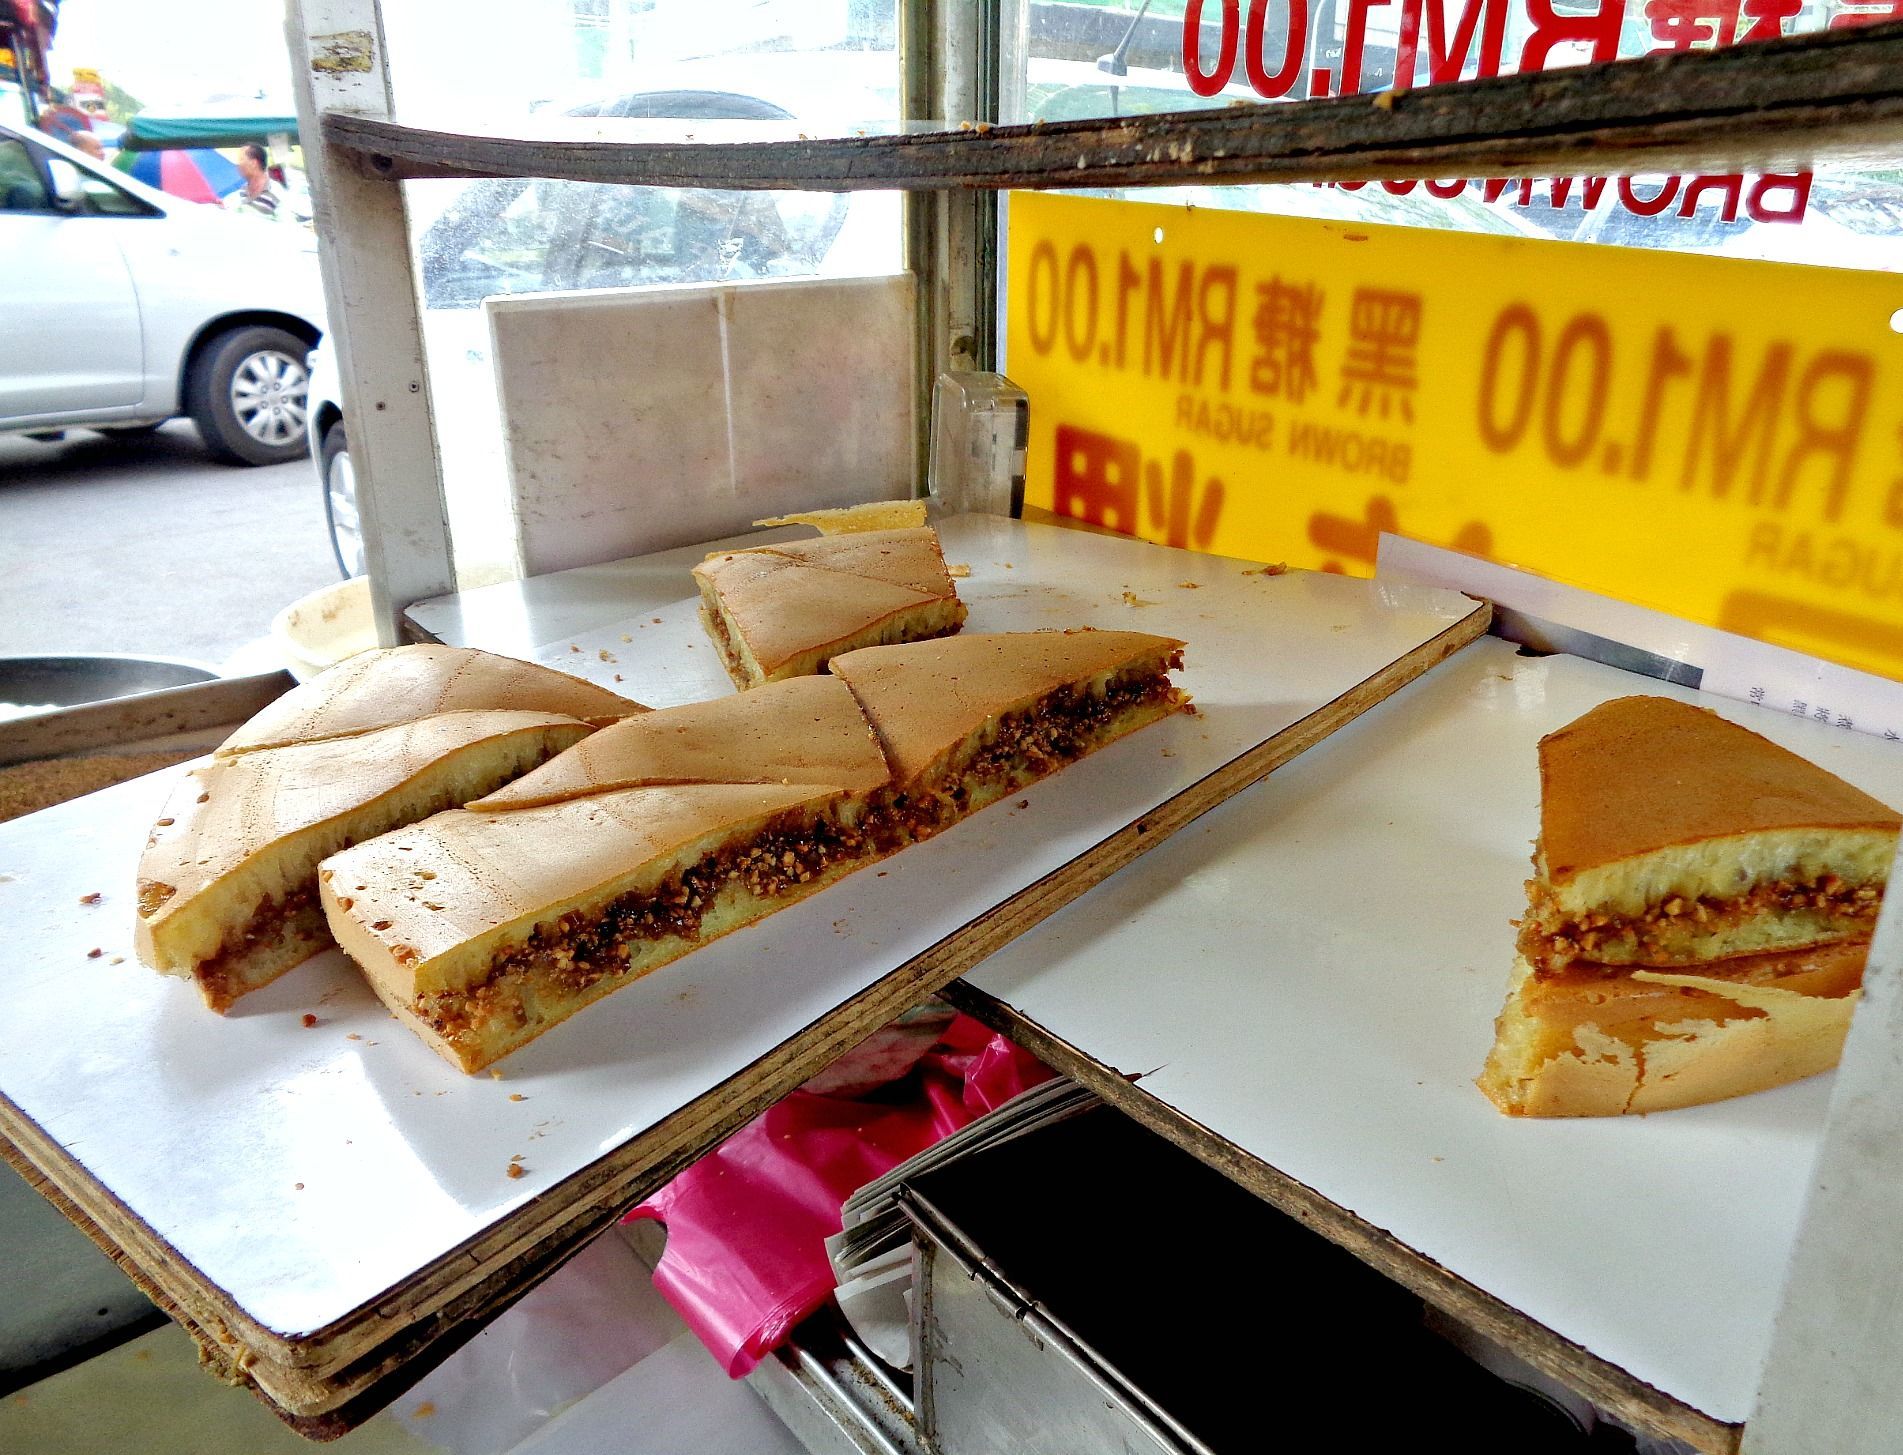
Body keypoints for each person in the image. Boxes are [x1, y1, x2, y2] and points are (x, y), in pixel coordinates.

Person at [226, 143, 281, 220]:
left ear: (253, 163)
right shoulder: (240, 192)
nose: (238, 165)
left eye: (241, 159)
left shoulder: (277, 193)